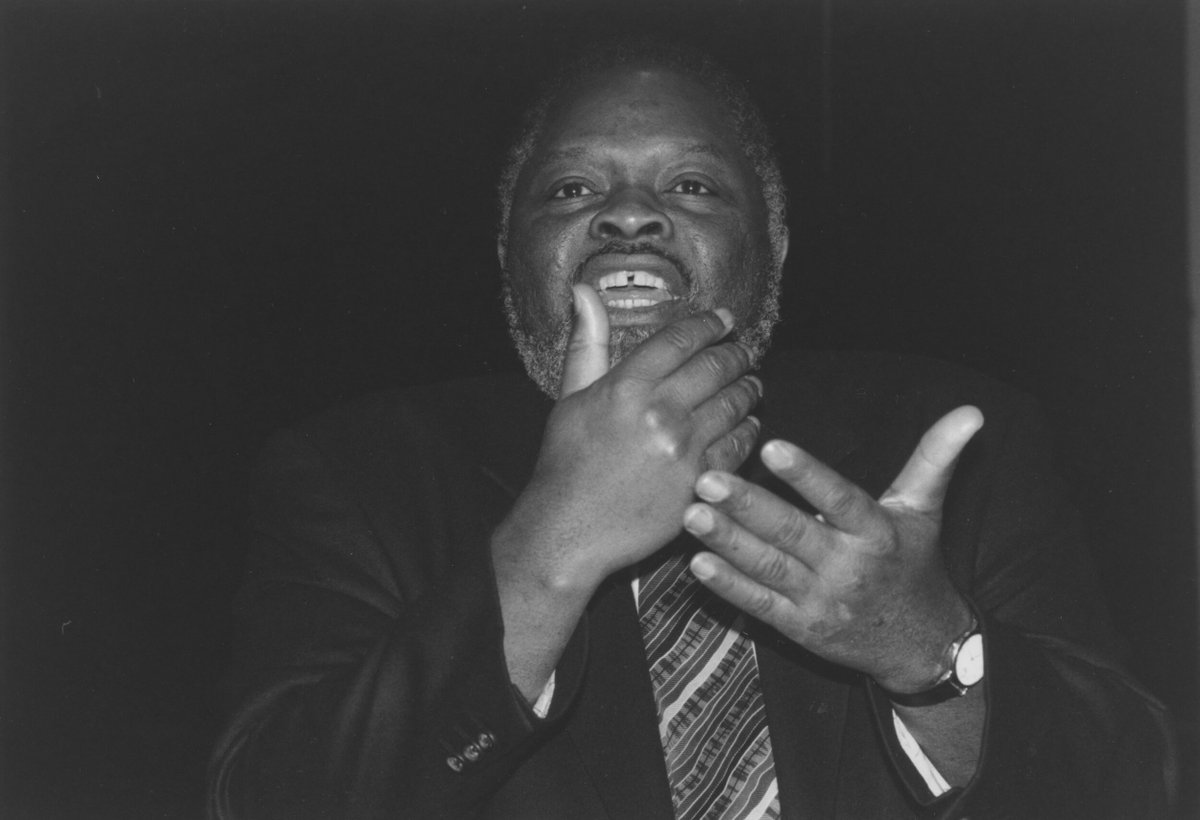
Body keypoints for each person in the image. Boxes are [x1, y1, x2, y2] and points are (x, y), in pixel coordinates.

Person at [208, 40, 1174, 819]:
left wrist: (930, 652)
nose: (632, 215)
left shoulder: (955, 443)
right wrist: (551, 544)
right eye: (574, 190)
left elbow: (1140, 793)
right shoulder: (355, 474)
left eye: (694, 188)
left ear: (774, 248)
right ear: (510, 252)